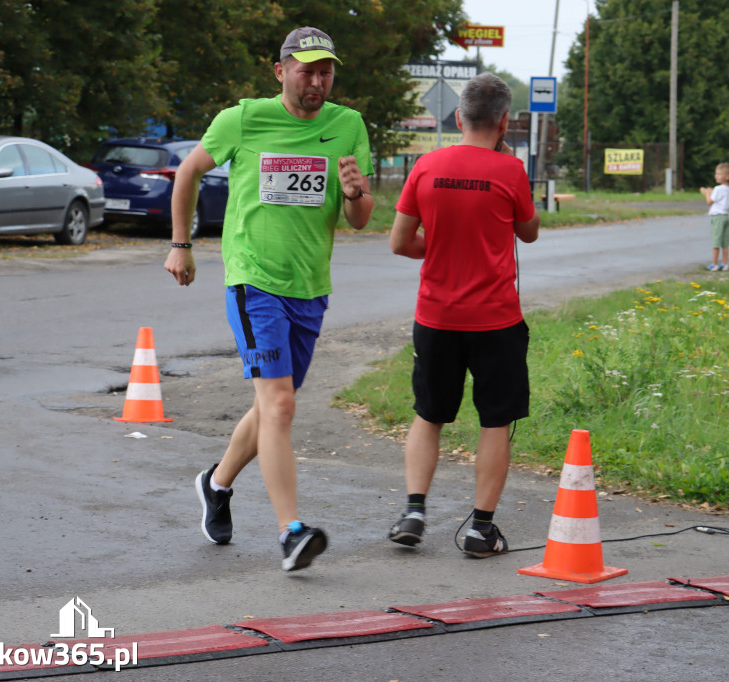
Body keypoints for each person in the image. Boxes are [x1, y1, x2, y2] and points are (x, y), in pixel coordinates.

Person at [163, 27, 374, 571]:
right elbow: (187, 172)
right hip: (253, 281)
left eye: (326, 71)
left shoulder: (347, 126)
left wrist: (354, 193)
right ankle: (291, 532)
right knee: (280, 403)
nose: (317, 80)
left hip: (310, 286)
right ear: (280, 71)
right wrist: (181, 246)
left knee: (270, 405)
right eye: (306, 70)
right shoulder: (243, 118)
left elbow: (360, 217)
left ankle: (215, 483)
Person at [387, 73, 541, 558]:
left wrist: (436, 246)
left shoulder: (427, 166)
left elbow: (399, 242)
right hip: (495, 321)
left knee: (428, 415)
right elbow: (529, 232)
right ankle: (481, 530)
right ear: (505, 122)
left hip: (436, 318)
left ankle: (414, 511)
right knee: (495, 422)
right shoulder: (511, 171)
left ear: (459, 118)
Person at [699, 162, 729, 271]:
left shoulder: (718, 188)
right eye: (716, 174)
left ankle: (714, 264)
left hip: (718, 216)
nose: (716, 176)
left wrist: (706, 193)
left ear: (727, 176)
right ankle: (724, 263)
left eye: (719, 174)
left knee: (716, 241)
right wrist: (711, 192)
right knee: (725, 242)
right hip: (726, 216)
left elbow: (710, 201)